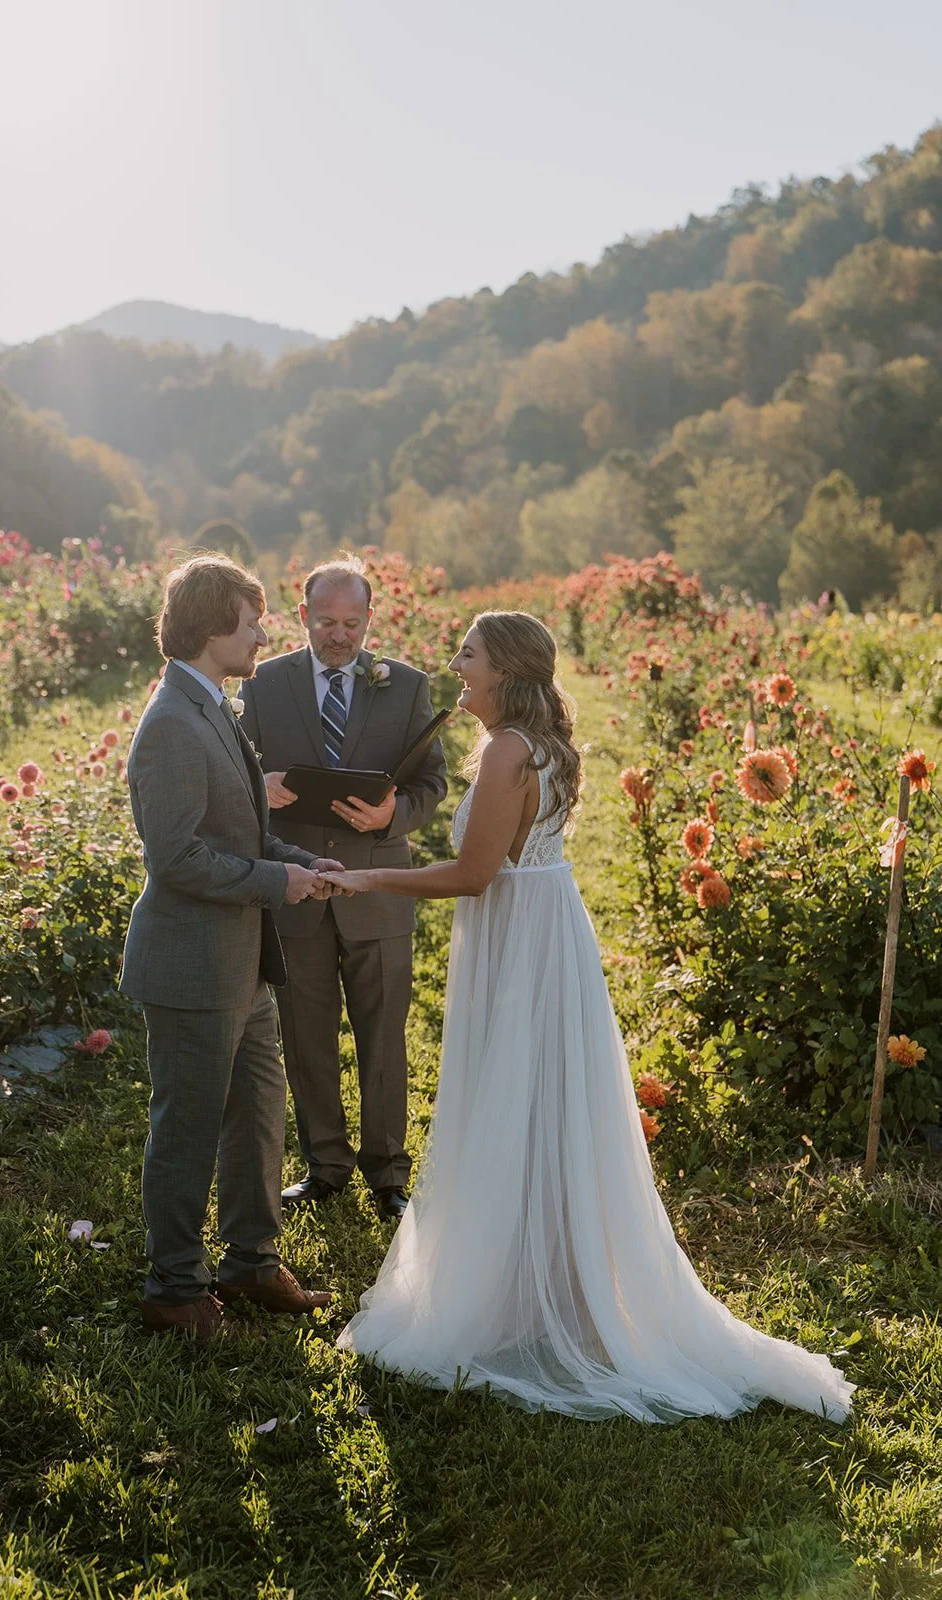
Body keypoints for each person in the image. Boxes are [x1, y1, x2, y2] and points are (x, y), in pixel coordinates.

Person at [326, 611, 854, 1424]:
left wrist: (364, 881)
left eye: (467, 655)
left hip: (520, 939)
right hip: (540, 929)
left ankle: (526, 1296)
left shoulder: (507, 750)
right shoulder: (533, 744)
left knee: (516, 1099)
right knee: (541, 1104)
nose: (456, 667)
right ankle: (546, 1289)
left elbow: (473, 876)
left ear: (502, 669)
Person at [120, 554, 347, 1339]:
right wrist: (268, 884)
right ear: (215, 625)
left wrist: (297, 863)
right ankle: (174, 1288)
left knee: (256, 1110)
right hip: (190, 963)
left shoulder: (211, 703)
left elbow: (240, 829)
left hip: (241, 959)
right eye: (252, 621)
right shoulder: (171, 725)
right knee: (185, 1126)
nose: (262, 633)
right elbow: (175, 859)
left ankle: (249, 1263)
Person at [238, 557, 447, 1221]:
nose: (339, 634)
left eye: (352, 623)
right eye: (326, 621)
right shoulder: (263, 684)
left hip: (379, 887)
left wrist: (394, 815)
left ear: (368, 619)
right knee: (306, 1035)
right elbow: (237, 773)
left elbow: (431, 783)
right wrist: (257, 788)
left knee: (383, 1036)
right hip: (297, 889)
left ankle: (388, 1172)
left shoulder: (406, 685)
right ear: (301, 616)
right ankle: (324, 1164)